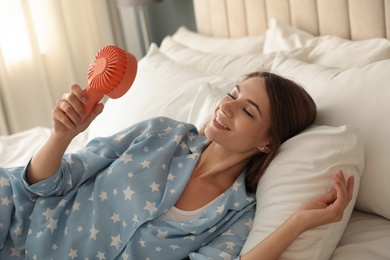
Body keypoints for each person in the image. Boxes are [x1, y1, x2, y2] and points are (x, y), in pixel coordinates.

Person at [0, 71, 354, 259]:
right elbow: (43, 184)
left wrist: (298, 223)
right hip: (18, 219)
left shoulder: (235, 214)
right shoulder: (160, 133)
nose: (226, 107)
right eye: (232, 94)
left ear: (267, 143)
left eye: (247, 110)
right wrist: (62, 135)